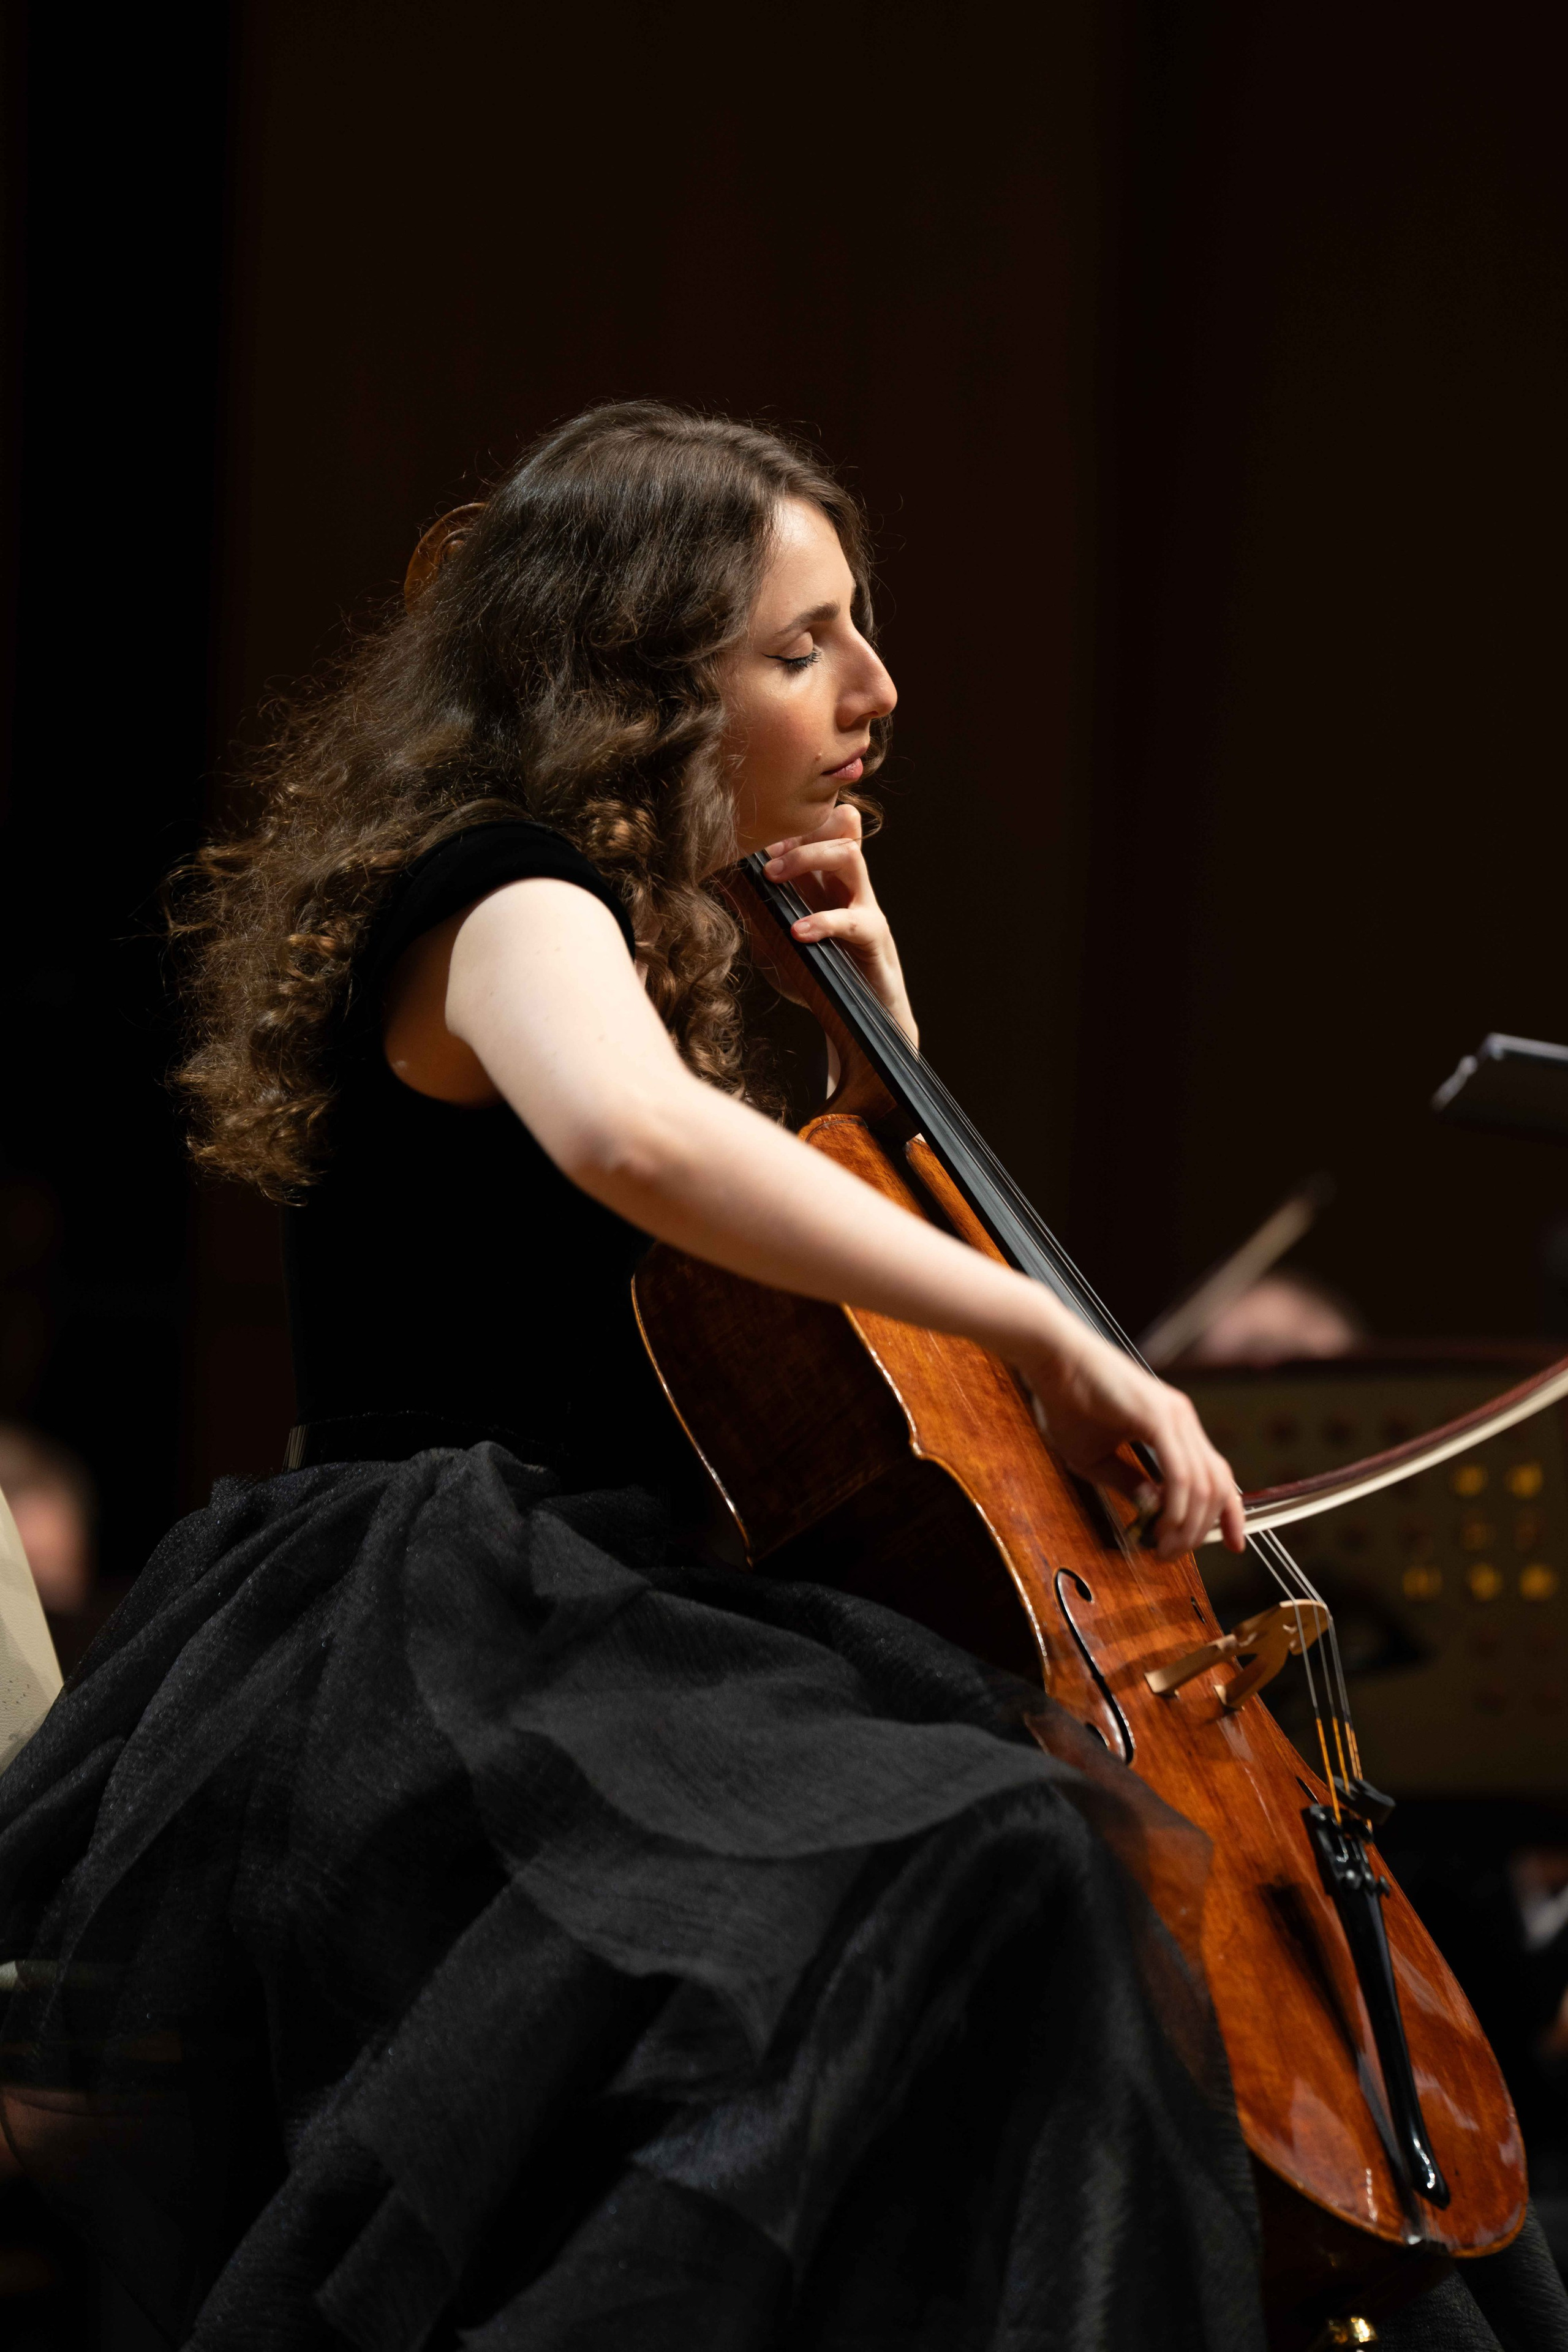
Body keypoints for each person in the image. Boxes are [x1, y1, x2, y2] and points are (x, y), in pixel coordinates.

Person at [0, 404, 1556, 2350]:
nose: (876, 688)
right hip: (435, 1640)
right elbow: (637, 1142)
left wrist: (871, 1076)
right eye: (799, 645)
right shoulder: (505, 894)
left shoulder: (646, 929)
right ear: (632, 682)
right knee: (985, 1865)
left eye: (860, 627)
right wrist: (1047, 1326)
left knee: (1029, 1876)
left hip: (612, 1607)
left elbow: (782, 1281)